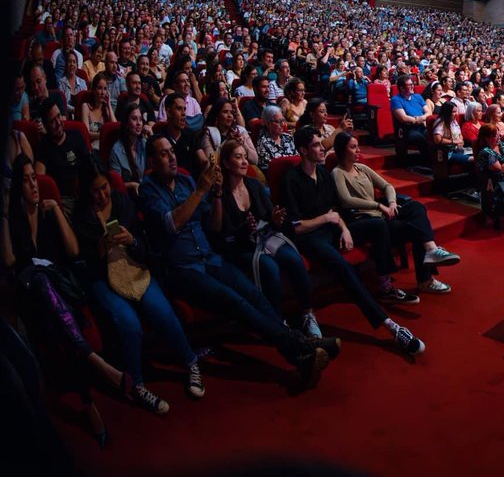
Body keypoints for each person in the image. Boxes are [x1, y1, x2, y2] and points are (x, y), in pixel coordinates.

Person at [139, 135, 337, 390]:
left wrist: (218, 196)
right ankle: (305, 346)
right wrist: (201, 191)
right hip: (183, 269)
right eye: (164, 154)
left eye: (172, 151)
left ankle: (301, 354)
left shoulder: (186, 181)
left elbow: (213, 226)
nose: (172, 157)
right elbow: (172, 224)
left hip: (209, 257)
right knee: (237, 302)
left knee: (253, 295)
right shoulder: (149, 189)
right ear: (153, 162)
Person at [2, 156, 127, 442]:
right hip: (30, 296)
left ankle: (88, 400)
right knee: (41, 282)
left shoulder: (47, 213)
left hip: (57, 296)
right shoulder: (15, 217)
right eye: (26, 180)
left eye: (35, 177)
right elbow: (9, 259)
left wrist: (57, 209)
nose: (34, 184)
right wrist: (6, 215)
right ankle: (95, 368)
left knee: (59, 322)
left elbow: (72, 252)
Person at [281, 126, 426, 354]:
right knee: (343, 267)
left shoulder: (324, 175)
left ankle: (386, 284)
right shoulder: (291, 179)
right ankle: (390, 325)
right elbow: (295, 227)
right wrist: (327, 219)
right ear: (302, 150)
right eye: (317, 145)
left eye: (321, 143)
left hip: (333, 228)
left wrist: (343, 227)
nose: (323, 148)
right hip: (311, 237)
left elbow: (336, 210)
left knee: (377, 225)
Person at [74, 171, 204, 413]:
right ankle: (136, 384)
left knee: (161, 310)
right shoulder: (82, 215)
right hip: (102, 277)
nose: (102, 195)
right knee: (128, 322)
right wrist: (100, 249)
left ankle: (190, 360)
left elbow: (144, 248)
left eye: (104, 187)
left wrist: (131, 240)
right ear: (86, 192)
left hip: (133, 265)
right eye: (95, 191)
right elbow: (82, 265)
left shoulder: (122, 202)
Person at [211, 139, 321, 337]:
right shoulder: (221, 193)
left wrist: (275, 220)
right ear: (226, 163)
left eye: (245, 157)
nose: (245, 162)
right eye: (238, 157)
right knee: (269, 267)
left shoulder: (253, 185)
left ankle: (307, 313)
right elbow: (220, 231)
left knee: (293, 259)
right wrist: (244, 230)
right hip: (239, 246)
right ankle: (277, 323)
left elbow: (270, 217)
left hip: (264, 237)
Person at [331, 131, 459, 295]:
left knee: (416, 208)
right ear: (342, 150)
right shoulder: (337, 172)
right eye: (353, 147)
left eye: (358, 147)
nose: (358, 151)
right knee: (417, 230)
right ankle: (425, 279)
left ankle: (431, 251)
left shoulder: (362, 168)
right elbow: (346, 200)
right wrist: (378, 205)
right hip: (365, 220)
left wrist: (391, 202)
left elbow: (387, 186)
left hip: (382, 216)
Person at [34, 103, 95, 213]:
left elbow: (90, 165)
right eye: (52, 121)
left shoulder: (76, 135)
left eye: (58, 116)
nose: (58, 122)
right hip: (63, 200)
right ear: (46, 126)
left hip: (85, 192)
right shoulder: (44, 147)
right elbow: (40, 180)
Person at [390, 74, 432, 167]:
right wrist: (418, 119)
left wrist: (419, 119)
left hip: (422, 126)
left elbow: (428, 113)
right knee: (420, 139)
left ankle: (436, 161)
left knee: (433, 135)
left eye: (412, 84)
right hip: (408, 129)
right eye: (409, 85)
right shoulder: (396, 99)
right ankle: (429, 162)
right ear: (402, 88)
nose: (413, 86)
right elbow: (403, 118)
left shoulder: (418, 97)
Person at [109, 101, 148, 195]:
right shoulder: (116, 150)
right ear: (126, 123)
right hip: (126, 195)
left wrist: (152, 138)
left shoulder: (145, 143)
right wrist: (131, 185)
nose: (139, 123)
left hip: (146, 191)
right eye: (134, 119)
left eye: (140, 119)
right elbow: (115, 184)